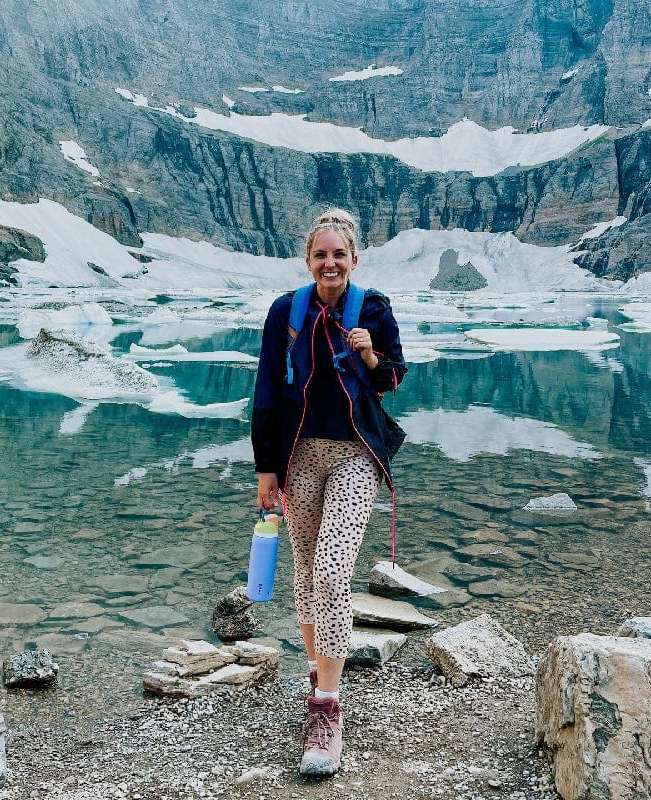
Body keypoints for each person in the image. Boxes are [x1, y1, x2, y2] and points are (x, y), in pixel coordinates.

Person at [251, 208, 407, 776]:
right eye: (321, 254)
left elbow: (393, 377)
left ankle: (326, 707)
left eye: (339, 254)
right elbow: (267, 389)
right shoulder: (285, 312)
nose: (330, 263)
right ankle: (320, 673)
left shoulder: (374, 309)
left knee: (333, 572)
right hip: (298, 457)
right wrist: (266, 468)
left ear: (354, 259)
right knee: (306, 570)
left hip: (354, 456)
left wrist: (368, 352)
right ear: (308, 260)